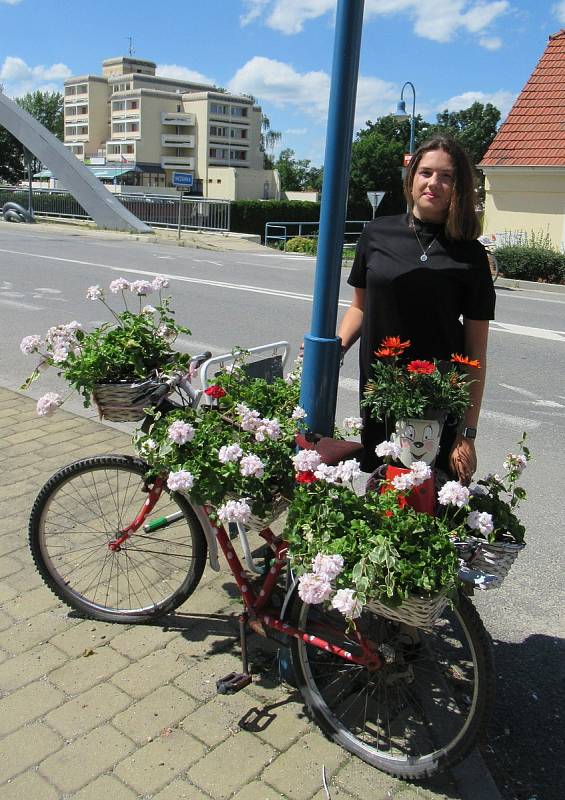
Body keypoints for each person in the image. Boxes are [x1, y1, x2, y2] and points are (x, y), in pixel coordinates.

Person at [337, 135, 496, 483]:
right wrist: (335, 346)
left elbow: (476, 351)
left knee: (430, 498)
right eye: (426, 172)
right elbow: (359, 308)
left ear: (458, 186)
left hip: (439, 396)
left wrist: (467, 434)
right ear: (411, 178)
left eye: (446, 176)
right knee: (382, 486)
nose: (433, 183)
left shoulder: (469, 254)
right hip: (382, 387)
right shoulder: (376, 234)